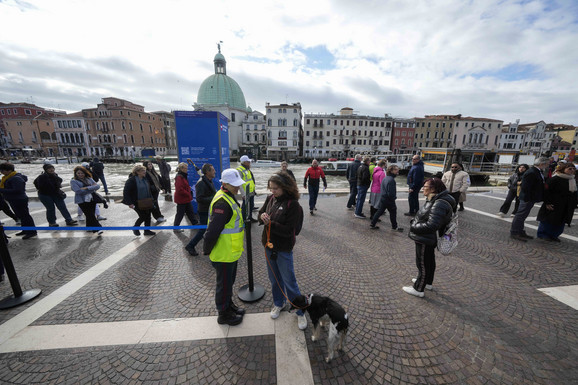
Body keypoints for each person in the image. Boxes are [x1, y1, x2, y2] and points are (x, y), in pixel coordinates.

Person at [259, 171, 307, 330]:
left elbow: (290, 231)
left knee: (289, 281)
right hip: (268, 245)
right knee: (274, 279)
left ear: (285, 188)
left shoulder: (293, 205)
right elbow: (260, 214)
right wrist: (262, 217)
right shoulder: (270, 199)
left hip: (283, 248)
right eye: (271, 188)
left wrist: (270, 223)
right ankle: (278, 303)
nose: (272, 191)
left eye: (276, 188)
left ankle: (300, 311)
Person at [203, 168, 246, 326]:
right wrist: (207, 250)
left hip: (230, 251)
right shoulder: (222, 202)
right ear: (225, 183)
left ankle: (229, 306)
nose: (237, 187)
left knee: (229, 283)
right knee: (224, 285)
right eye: (234, 185)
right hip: (224, 253)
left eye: (238, 184)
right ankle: (223, 314)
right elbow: (213, 231)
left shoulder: (228, 195)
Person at [404, 178, 456, 298]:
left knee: (422, 263)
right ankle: (426, 282)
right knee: (428, 262)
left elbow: (432, 225)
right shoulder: (437, 199)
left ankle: (418, 288)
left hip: (425, 237)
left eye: (425, 187)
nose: (423, 189)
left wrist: (414, 226)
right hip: (428, 238)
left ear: (433, 189)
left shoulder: (439, 203)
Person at [510, 157, 550, 242]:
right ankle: (515, 232)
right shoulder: (532, 172)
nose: (547, 166)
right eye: (547, 164)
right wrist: (527, 198)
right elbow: (525, 187)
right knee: (520, 215)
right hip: (527, 198)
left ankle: (520, 231)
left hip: (530, 198)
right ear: (542, 164)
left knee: (523, 216)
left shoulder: (537, 171)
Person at [536, 163, 576, 242]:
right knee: (548, 220)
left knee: (561, 220)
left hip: (565, 205)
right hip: (553, 203)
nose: (572, 170)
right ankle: (543, 234)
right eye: (570, 169)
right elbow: (546, 191)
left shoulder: (572, 179)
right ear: (563, 169)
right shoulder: (555, 178)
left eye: (573, 169)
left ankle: (554, 235)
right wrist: (547, 202)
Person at [185, 163, 216, 256]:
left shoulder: (208, 180)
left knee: (207, 230)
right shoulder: (201, 183)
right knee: (203, 230)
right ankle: (190, 246)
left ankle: (209, 247)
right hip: (204, 211)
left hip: (209, 210)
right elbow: (199, 199)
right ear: (207, 172)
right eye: (213, 170)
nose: (215, 171)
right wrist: (213, 198)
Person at [0, 163, 37, 239]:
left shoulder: (15, 178)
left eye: (2, 170)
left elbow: (17, 190)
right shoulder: (7, 177)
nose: (1, 172)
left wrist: (2, 190)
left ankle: (32, 231)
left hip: (19, 199)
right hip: (13, 199)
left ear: (9, 170)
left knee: (25, 216)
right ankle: (25, 229)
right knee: (20, 216)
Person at [122, 165, 156, 236]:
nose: (144, 172)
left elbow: (149, 189)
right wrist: (129, 203)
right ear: (137, 172)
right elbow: (126, 192)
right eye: (142, 171)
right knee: (143, 216)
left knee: (148, 216)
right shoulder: (131, 180)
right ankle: (135, 227)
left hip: (147, 200)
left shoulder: (145, 179)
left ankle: (147, 231)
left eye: (144, 170)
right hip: (136, 202)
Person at [70, 166, 103, 236]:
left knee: (91, 214)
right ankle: (98, 228)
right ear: (75, 174)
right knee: (90, 214)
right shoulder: (73, 181)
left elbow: (97, 186)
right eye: (78, 173)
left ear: (85, 173)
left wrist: (86, 188)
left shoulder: (89, 178)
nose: (80, 175)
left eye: (82, 173)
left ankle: (88, 227)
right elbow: (78, 191)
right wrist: (91, 188)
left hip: (91, 199)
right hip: (82, 200)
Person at [370, 165, 404, 232]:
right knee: (393, 213)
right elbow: (391, 193)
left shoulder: (385, 178)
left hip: (383, 198)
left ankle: (372, 224)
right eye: (396, 170)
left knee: (379, 211)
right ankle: (394, 227)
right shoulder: (391, 180)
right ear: (391, 171)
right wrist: (393, 198)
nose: (397, 171)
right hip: (389, 200)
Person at [173, 162, 198, 233]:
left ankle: (195, 223)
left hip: (185, 198)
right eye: (186, 168)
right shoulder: (179, 177)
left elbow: (183, 186)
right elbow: (179, 189)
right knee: (180, 213)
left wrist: (188, 188)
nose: (187, 169)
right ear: (181, 169)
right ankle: (176, 227)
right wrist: (188, 193)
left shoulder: (182, 176)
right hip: (182, 198)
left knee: (190, 211)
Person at [237, 155, 257, 222]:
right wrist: (243, 194)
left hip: (250, 191)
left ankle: (250, 217)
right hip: (246, 192)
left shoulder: (247, 169)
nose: (249, 163)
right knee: (245, 207)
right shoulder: (240, 170)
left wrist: (254, 190)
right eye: (248, 162)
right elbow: (239, 183)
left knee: (251, 205)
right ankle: (244, 219)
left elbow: (251, 180)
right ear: (244, 162)